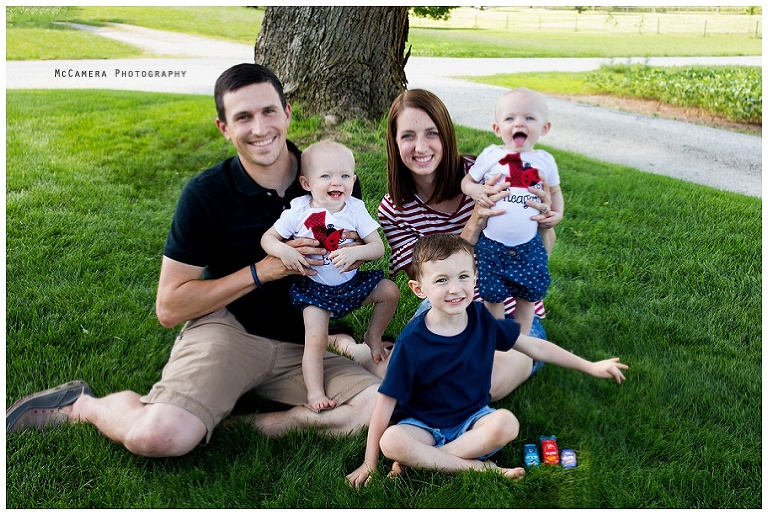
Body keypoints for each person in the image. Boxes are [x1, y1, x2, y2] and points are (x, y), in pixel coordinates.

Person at [5, 63, 383, 457]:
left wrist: (353, 266)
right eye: (243, 117)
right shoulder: (206, 194)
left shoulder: (332, 177)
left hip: (304, 341)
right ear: (224, 128)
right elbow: (170, 308)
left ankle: (285, 420)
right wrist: (261, 271)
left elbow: (355, 261)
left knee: (376, 406)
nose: (260, 128)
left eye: (269, 111)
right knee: (157, 437)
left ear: (287, 113)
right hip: (231, 333)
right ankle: (83, 405)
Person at [345, 234, 627, 488]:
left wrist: (590, 366)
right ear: (419, 289)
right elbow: (385, 403)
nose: (455, 289)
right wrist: (370, 463)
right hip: (423, 426)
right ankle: (480, 468)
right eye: (441, 280)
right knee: (392, 441)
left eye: (463, 277)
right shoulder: (412, 341)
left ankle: (427, 460)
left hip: (472, 421)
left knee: (506, 423)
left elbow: (533, 346)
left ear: (475, 278)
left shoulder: (481, 318)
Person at [374, 88, 562, 399]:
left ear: (446, 136)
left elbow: (543, 253)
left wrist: (542, 222)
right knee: (391, 376)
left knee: (485, 382)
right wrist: (474, 223)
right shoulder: (394, 209)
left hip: (510, 311)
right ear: (394, 143)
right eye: (408, 136)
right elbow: (425, 278)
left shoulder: (490, 172)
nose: (420, 147)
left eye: (431, 133)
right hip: (445, 308)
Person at [261, 139, 399, 412]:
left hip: (351, 285)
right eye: (326, 176)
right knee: (316, 340)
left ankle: (373, 336)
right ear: (306, 183)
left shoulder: (355, 209)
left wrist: (356, 252)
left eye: (344, 176)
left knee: (389, 291)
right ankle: (315, 392)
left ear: (353, 180)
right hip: (316, 291)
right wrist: (284, 251)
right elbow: (268, 238)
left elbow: (378, 247)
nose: (337, 182)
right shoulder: (299, 211)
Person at [461, 87, 563, 334]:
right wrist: (475, 190)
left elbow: (555, 192)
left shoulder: (545, 160)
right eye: (510, 118)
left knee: (527, 296)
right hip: (491, 245)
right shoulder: (491, 155)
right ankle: (498, 337)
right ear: (497, 129)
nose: (519, 123)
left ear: (545, 128)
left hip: (528, 245)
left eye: (529, 117)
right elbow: (467, 182)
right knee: (492, 296)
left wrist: (557, 214)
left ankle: (521, 338)